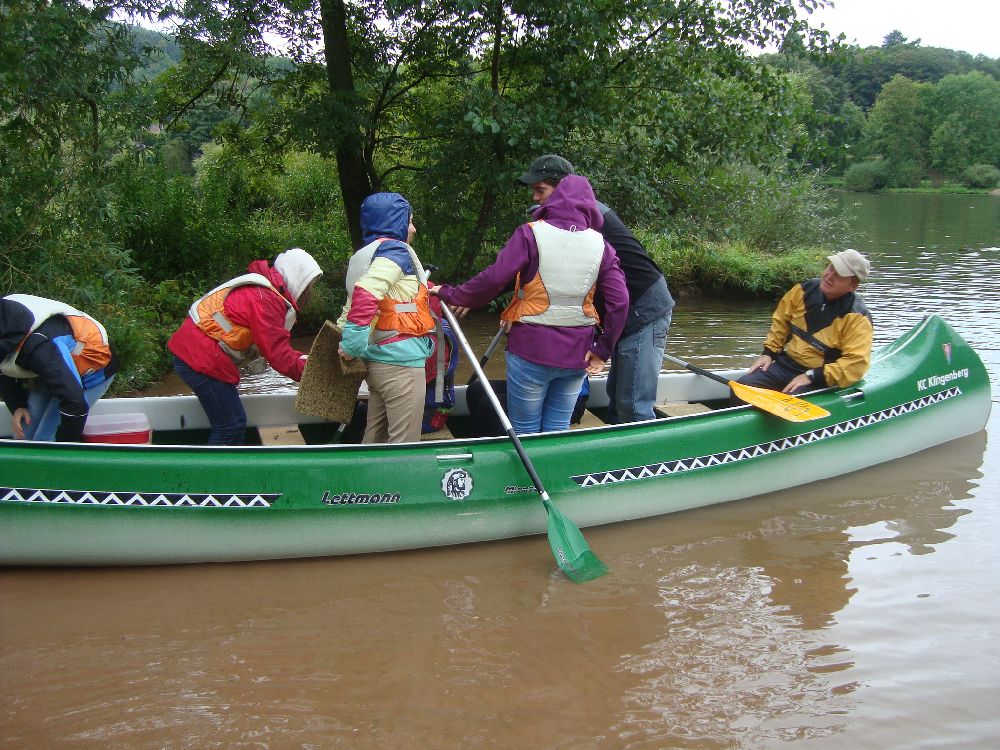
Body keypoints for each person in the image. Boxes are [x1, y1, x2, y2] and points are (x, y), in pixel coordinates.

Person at [433, 174, 627, 434]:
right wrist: (602, 350)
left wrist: (450, 293)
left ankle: (526, 474)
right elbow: (620, 302)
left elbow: (493, 279)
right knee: (557, 428)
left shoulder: (529, 234)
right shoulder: (602, 246)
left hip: (530, 350)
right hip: (576, 355)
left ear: (556, 199)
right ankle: (550, 473)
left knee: (524, 429)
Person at [516, 154, 675, 424]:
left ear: (563, 187)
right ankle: (617, 450)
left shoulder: (586, 218)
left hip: (644, 309)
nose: (535, 198)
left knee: (632, 403)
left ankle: (640, 463)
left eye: (540, 190)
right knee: (617, 393)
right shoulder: (573, 214)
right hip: (623, 311)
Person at [169, 247, 324, 445]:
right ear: (297, 277)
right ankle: (212, 476)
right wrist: (318, 373)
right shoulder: (266, 299)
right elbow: (280, 357)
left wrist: (308, 363)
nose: (309, 292)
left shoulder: (263, 292)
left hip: (195, 354)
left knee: (232, 423)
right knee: (230, 426)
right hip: (200, 358)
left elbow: (275, 349)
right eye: (308, 285)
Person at [337, 192, 436, 444]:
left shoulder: (365, 255)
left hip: (378, 365)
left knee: (376, 439)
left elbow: (352, 306)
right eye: (409, 221)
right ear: (396, 223)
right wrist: (352, 345)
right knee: (403, 445)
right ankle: (399, 484)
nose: (413, 228)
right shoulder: (395, 251)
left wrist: (346, 343)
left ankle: (365, 482)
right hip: (401, 364)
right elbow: (366, 293)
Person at [733, 248, 874, 401]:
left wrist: (812, 376)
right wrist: (768, 352)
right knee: (740, 389)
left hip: (821, 377)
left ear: (852, 286)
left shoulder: (858, 318)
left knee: (788, 403)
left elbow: (855, 364)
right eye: (831, 268)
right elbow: (781, 321)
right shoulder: (803, 290)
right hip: (786, 365)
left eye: (839, 275)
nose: (829, 276)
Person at [0, 294, 119, 442]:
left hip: (92, 371)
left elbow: (76, 404)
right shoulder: (6, 325)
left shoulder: (39, 349)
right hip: (50, 366)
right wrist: (17, 405)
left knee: (44, 439)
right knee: (25, 434)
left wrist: (62, 449)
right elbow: (3, 368)